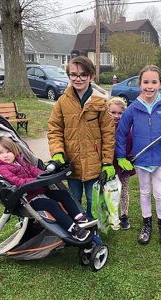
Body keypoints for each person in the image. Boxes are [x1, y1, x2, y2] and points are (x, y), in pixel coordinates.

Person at [0, 137, 97, 241]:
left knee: (64, 194)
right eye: (0, 153)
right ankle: (73, 230)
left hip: (40, 190)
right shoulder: (2, 168)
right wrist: (35, 181)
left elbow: (33, 170)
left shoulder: (20, 162)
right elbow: (16, 181)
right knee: (52, 205)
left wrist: (44, 175)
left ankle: (79, 217)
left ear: (14, 151)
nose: (5, 155)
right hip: (28, 199)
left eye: (8, 151)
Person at [116, 65, 161, 246]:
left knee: (159, 193)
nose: (149, 86)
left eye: (154, 82)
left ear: (160, 84)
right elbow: (121, 133)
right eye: (145, 82)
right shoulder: (133, 108)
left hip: (159, 159)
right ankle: (147, 224)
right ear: (140, 83)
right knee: (144, 192)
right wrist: (121, 156)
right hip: (141, 159)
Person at [48, 56, 115, 219]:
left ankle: (93, 230)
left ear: (91, 76)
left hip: (94, 162)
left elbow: (108, 133)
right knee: (73, 198)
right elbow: (54, 129)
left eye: (83, 74)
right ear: (69, 76)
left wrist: (107, 162)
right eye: (74, 74)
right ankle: (77, 228)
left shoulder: (100, 103)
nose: (78, 78)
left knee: (93, 199)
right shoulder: (62, 102)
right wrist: (58, 153)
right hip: (72, 163)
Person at [107, 97, 135, 230]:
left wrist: (128, 160)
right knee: (108, 190)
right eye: (113, 112)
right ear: (107, 111)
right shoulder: (103, 127)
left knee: (123, 190)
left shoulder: (127, 129)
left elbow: (131, 145)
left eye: (120, 113)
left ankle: (124, 215)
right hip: (108, 164)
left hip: (123, 164)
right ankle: (111, 214)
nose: (116, 116)